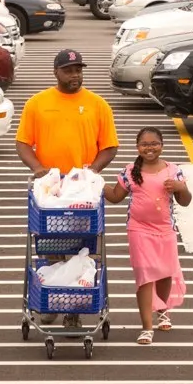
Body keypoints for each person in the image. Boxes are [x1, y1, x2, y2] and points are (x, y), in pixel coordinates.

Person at [17, 49, 120, 327]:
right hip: (51, 193)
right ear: (56, 72)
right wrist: (37, 168)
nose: (75, 75)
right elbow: (23, 144)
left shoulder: (98, 105)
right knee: (49, 245)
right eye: (69, 70)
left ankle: (73, 309)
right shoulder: (37, 103)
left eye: (78, 70)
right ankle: (50, 299)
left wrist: (92, 170)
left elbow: (109, 146)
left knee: (79, 249)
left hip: (81, 194)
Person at [103, 127, 190, 344]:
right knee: (144, 277)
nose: (149, 148)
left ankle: (163, 310)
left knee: (164, 273)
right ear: (137, 147)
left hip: (165, 230)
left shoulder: (173, 170)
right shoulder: (130, 170)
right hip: (138, 230)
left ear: (162, 145)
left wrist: (181, 187)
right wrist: (94, 181)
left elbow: (185, 201)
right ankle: (147, 327)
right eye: (144, 144)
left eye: (154, 144)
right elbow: (115, 196)